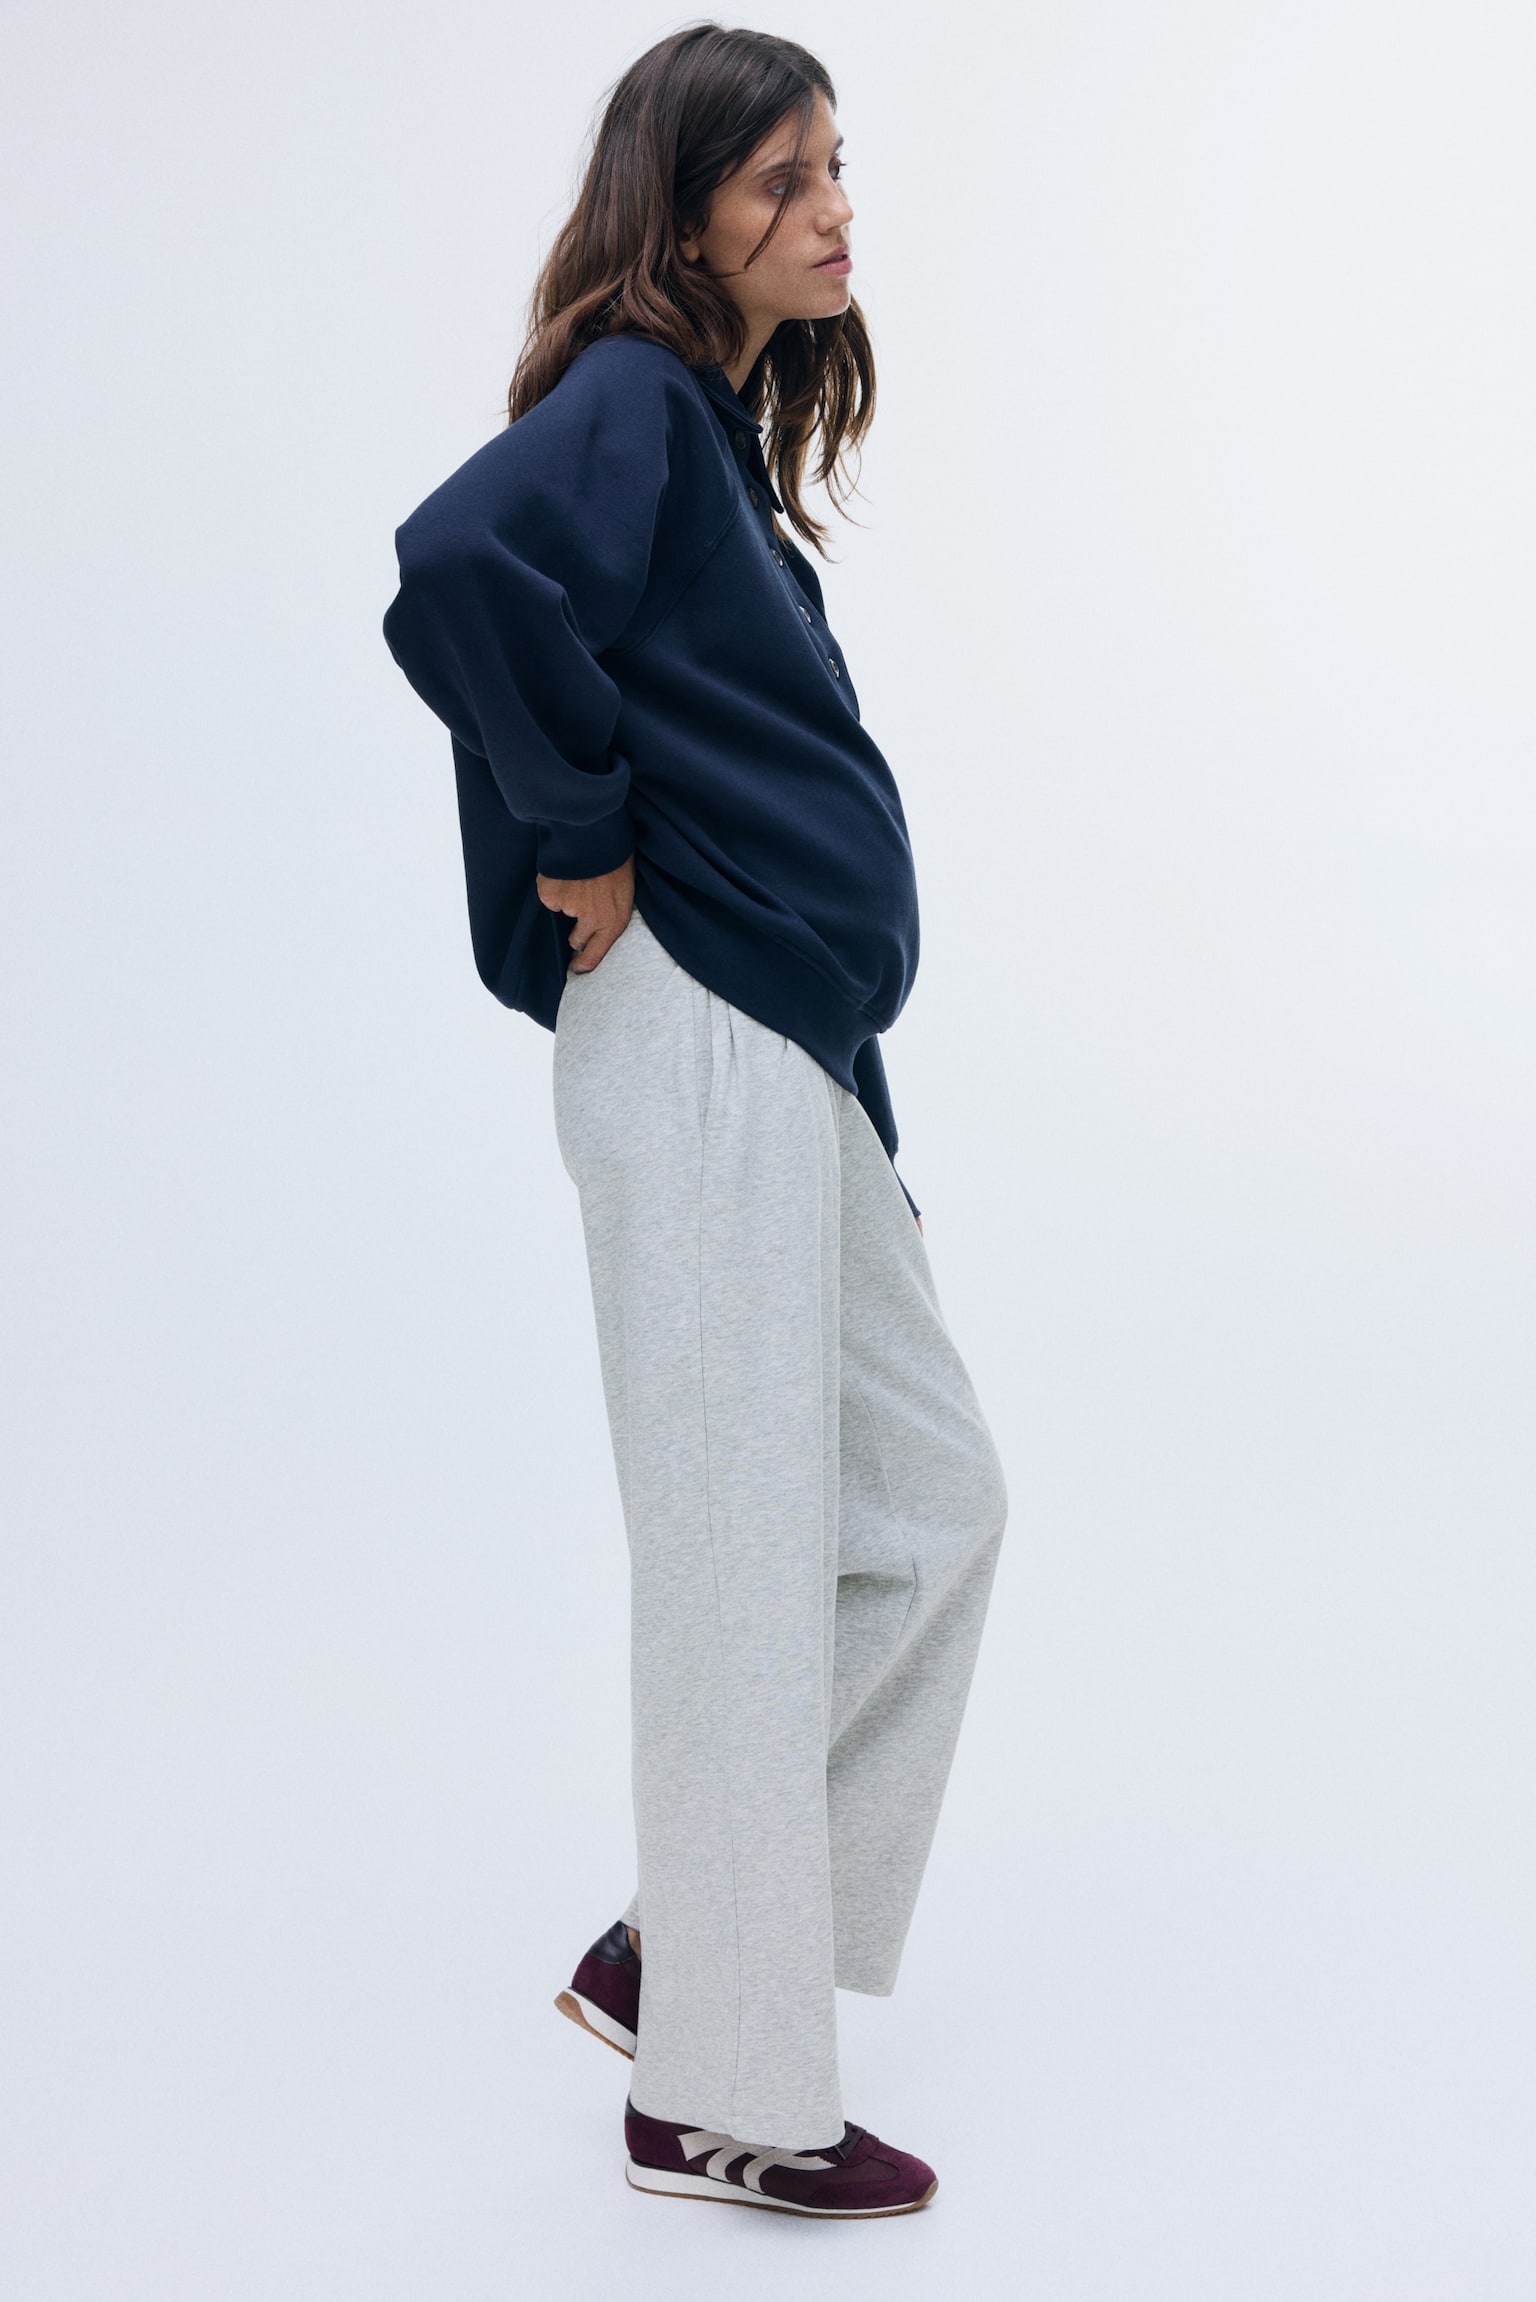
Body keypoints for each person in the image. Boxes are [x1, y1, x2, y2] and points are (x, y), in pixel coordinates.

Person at [381, 23, 1008, 2221]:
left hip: (787, 1054)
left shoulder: (711, 441)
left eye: (837, 167)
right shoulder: (639, 396)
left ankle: (685, 1935)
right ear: (686, 212)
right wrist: (579, 832)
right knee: (745, 1555)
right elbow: (459, 564)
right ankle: (720, 2093)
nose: (831, 209)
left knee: (933, 1508)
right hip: (702, 1033)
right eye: (780, 179)